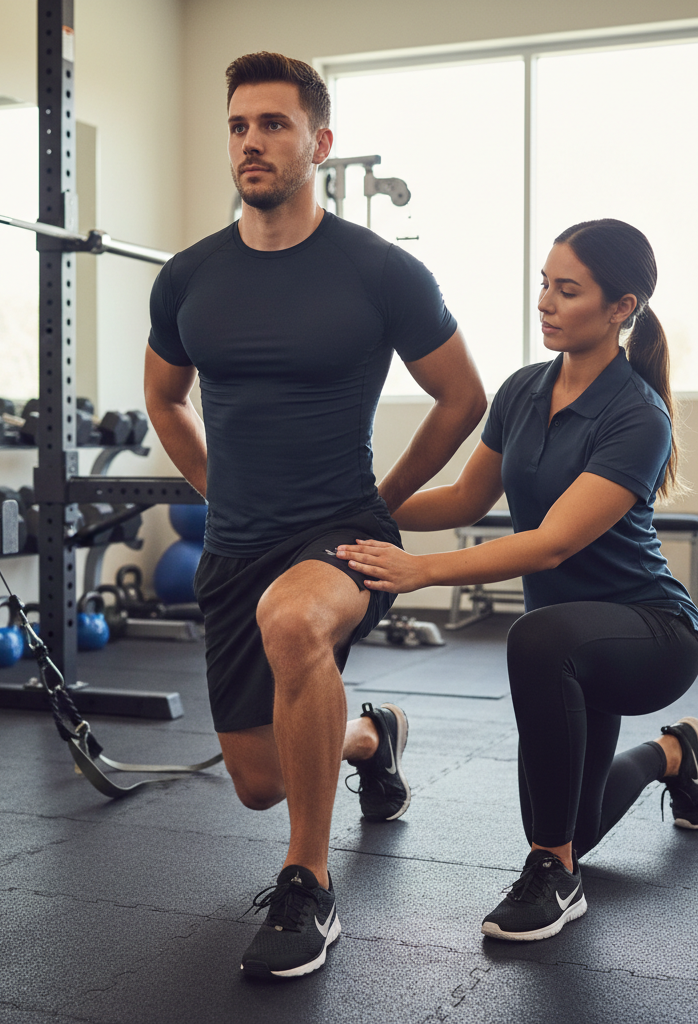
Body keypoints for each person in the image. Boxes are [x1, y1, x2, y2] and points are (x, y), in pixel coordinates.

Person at [143, 51, 487, 978]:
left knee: (294, 622)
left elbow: (462, 396)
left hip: (341, 533)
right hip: (238, 540)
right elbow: (166, 400)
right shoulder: (187, 279)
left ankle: (309, 885)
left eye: (275, 125)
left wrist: (386, 504)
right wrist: (216, 488)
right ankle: (373, 739)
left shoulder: (381, 272)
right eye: (238, 126)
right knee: (262, 782)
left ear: (319, 143)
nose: (252, 142)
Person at [337, 218, 698, 942]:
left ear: (620, 309)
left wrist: (420, 571)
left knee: (538, 643)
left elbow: (549, 545)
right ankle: (673, 754)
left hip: (651, 636)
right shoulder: (520, 391)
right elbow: (462, 501)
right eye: (543, 282)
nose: (544, 300)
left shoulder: (639, 416)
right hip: (568, 651)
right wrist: (358, 511)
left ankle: (554, 874)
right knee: (575, 819)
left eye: (567, 289)